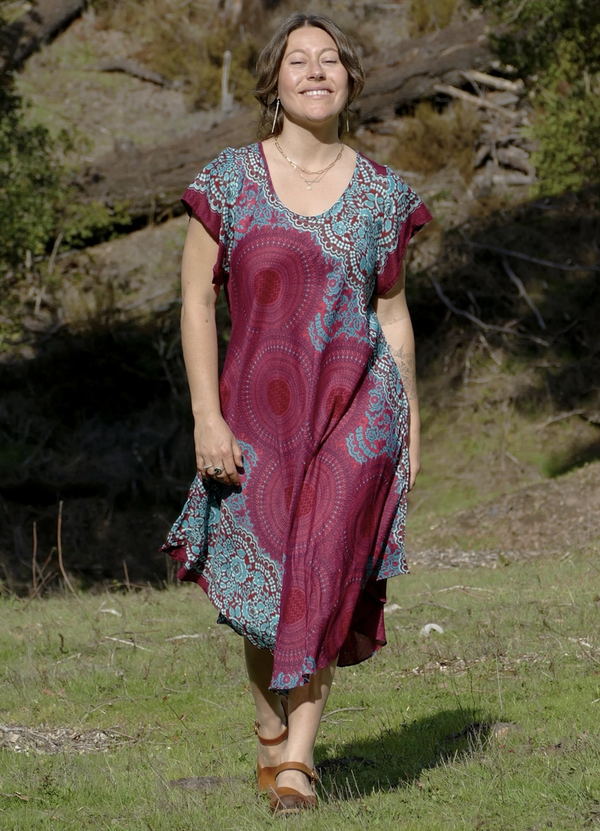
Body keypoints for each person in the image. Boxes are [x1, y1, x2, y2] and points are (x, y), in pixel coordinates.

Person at [161, 12, 432, 815]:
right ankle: (270, 729)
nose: (317, 71)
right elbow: (195, 302)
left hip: (358, 415)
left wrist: (412, 425)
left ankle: (298, 765)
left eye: (331, 60)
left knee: (321, 573)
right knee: (263, 593)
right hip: (257, 419)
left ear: (351, 79)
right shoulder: (229, 181)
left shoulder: (384, 194)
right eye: (299, 60)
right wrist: (206, 416)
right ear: (273, 82)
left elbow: (393, 316)